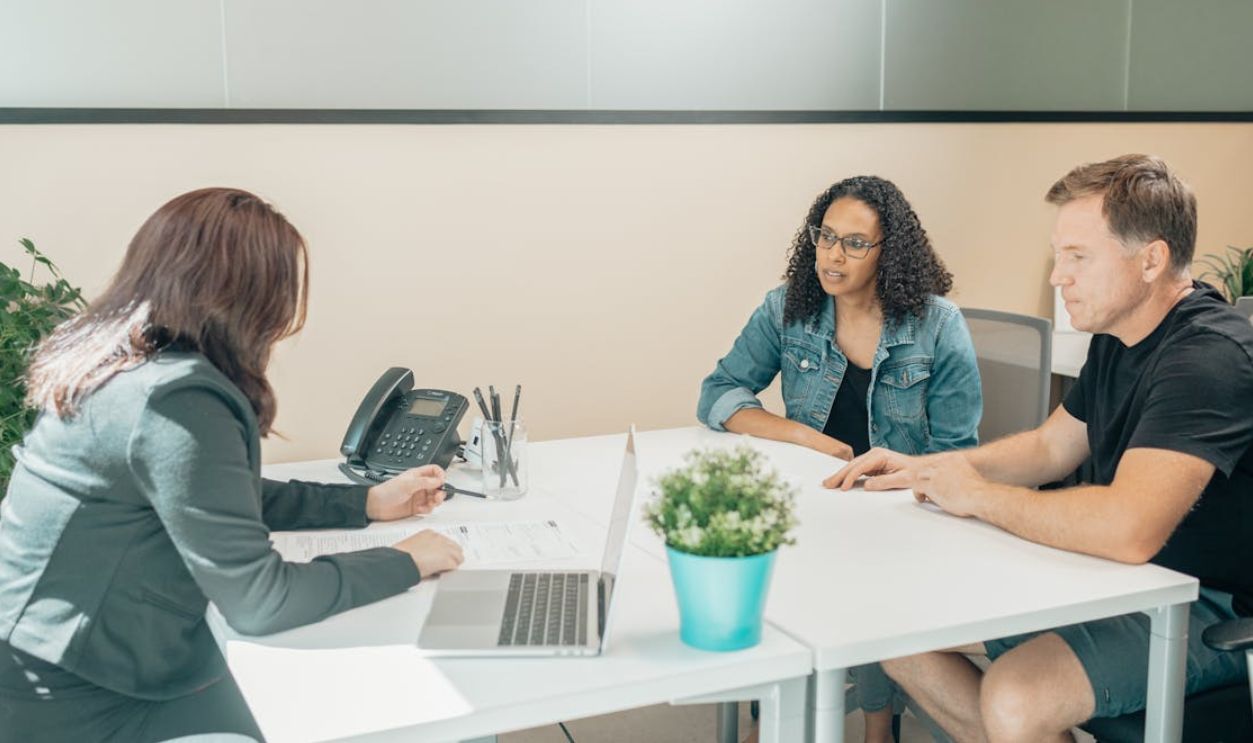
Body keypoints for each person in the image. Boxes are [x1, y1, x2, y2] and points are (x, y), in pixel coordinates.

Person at [0, 188, 465, 742]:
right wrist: (405, 561)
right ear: (253, 300)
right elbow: (261, 602)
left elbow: (209, 494)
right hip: (83, 695)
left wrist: (362, 501)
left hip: (73, 655)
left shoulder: (127, 369)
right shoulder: (174, 396)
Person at [827, 154, 1253, 742]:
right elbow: (1053, 447)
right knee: (895, 631)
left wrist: (977, 496)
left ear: (1151, 259)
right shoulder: (1121, 334)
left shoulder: (1207, 357)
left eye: (1078, 257)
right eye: (1060, 255)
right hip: (1118, 580)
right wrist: (932, 468)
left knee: (1016, 696)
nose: (1058, 276)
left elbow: (1129, 527)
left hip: (1212, 607)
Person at [697, 175, 982, 743]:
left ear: (889, 253)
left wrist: (902, 473)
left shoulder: (938, 325)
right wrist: (805, 437)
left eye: (855, 243)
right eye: (825, 237)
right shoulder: (788, 308)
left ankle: (876, 724)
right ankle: (787, 711)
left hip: (903, 511)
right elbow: (720, 393)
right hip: (817, 499)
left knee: (867, 577)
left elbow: (958, 457)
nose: (832, 254)